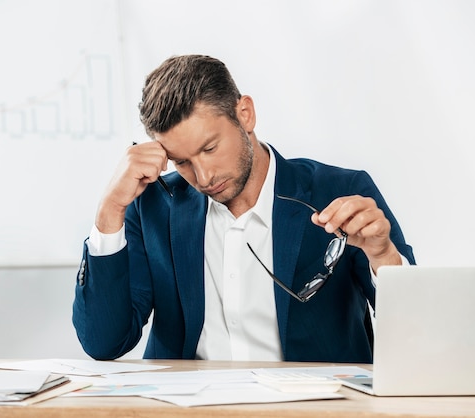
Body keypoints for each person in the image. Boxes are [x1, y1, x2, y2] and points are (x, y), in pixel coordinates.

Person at [73, 55, 415, 363]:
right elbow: (104, 343)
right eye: (182, 162)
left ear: (245, 114)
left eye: (210, 148)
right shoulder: (152, 206)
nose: (204, 177)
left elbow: (415, 333)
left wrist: (382, 255)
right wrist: (109, 211)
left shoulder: (340, 191)